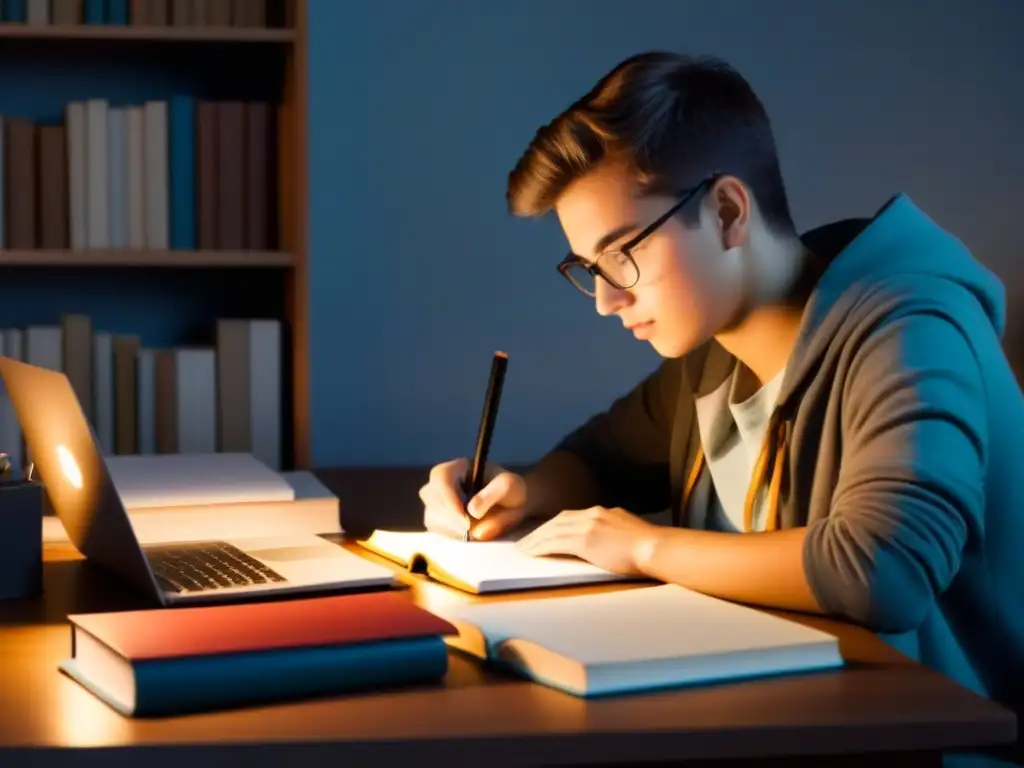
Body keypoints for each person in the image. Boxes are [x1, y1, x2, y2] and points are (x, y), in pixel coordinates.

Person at [418, 52, 1023, 762]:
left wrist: (644, 548)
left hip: (950, 744)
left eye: (622, 255)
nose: (608, 299)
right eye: (589, 269)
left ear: (728, 211)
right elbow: (603, 456)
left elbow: (884, 569)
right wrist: (522, 494)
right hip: (785, 720)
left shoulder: (911, 326)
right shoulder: (715, 347)